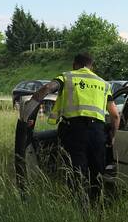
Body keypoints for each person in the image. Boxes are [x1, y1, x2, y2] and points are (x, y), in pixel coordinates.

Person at [21, 53, 120, 202]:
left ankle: (79, 205)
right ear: (91, 66)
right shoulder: (104, 84)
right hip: (97, 133)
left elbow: (48, 87)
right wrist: (112, 136)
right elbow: (115, 115)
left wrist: (30, 106)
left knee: (76, 171)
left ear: (75, 65)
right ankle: (95, 206)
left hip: (75, 131)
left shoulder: (67, 77)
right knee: (96, 171)